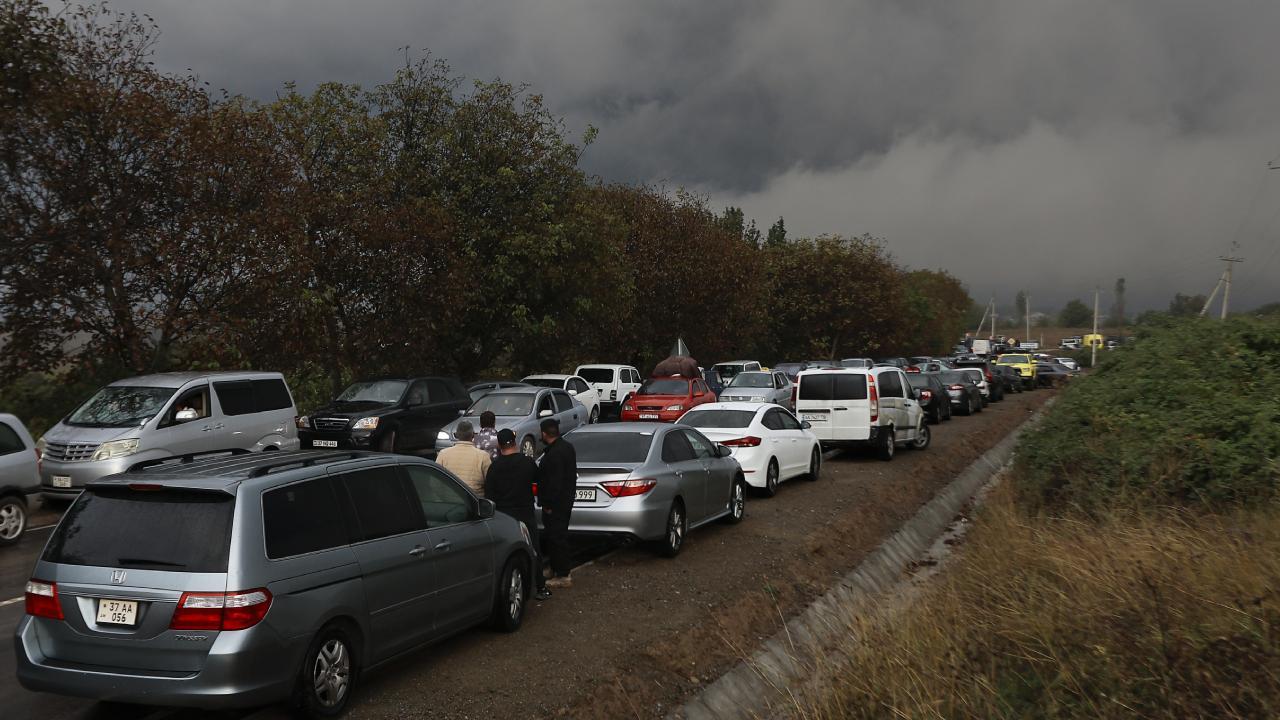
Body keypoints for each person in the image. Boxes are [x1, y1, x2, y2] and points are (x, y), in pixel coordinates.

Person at [485, 429, 551, 600]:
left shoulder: (494, 467)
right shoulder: (527, 463)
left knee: (508, 553)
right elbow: (540, 481)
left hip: (504, 515)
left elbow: (489, 496)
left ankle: (509, 588)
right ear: (514, 442)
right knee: (533, 549)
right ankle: (540, 587)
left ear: (499, 446)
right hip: (525, 512)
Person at [535, 417, 576, 588]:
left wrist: (548, 504)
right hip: (565, 501)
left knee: (556, 537)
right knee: (555, 537)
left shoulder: (554, 454)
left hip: (556, 504)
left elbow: (554, 483)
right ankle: (555, 567)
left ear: (544, 434)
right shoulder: (566, 447)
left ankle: (563, 574)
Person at [435, 421, 491, 495]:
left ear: (456, 435)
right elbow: (490, 483)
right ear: (473, 435)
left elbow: (435, 483)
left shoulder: (443, 454)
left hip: (450, 500)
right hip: (475, 500)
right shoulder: (483, 456)